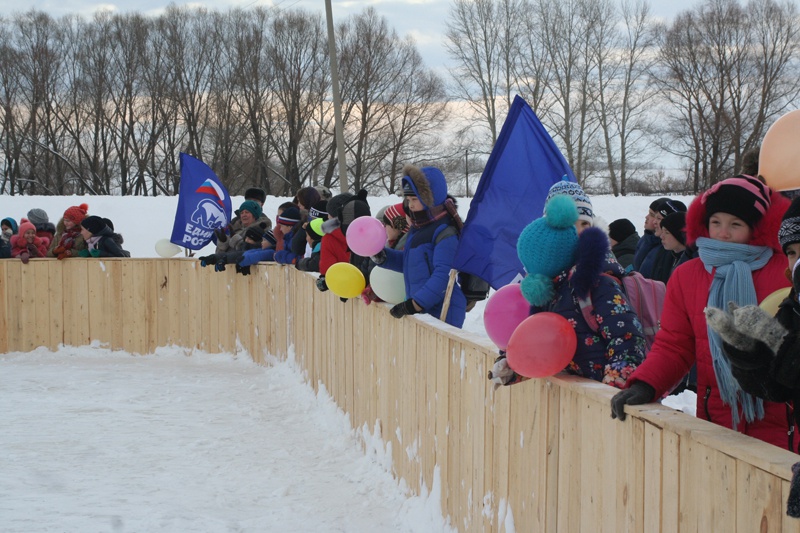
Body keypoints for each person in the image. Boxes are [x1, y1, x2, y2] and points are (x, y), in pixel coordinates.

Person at [610, 175, 793, 450]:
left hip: (780, 427)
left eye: (736, 224)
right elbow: (674, 344)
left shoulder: (785, 272)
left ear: (756, 228)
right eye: (716, 222)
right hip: (715, 423)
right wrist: (646, 384)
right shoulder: (688, 275)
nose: (723, 233)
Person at [493, 195, 645, 389]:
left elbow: (627, 337)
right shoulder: (551, 292)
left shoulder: (597, 285)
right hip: (579, 401)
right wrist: (513, 367)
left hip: (605, 398)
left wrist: (612, 389)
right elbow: (541, 345)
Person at [705, 195, 800, 440]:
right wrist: (747, 352)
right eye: (791, 251)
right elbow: (776, 389)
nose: (797, 261)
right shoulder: (793, 304)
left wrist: (780, 342)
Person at [371, 165, 466, 327]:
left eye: (415, 199)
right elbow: (412, 263)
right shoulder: (419, 228)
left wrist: (414, 304)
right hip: (424, 310)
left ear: (430, 199)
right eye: (408, 200)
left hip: (443, 312)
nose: (411, 205)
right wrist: (386, 258)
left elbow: (444, 275)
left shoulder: (445, 232)